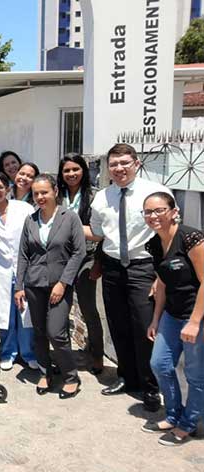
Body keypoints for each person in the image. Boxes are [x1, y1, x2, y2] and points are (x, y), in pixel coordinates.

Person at [89, 143, 172, 411]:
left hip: (144, 266)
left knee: (144, 326)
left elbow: (169, 234)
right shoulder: (102, 197)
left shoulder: (155, 194)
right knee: (118, 325)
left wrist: (161, 272)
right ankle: (127, 377)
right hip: (113, 267)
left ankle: (151, 386)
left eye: (125, 163)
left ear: (136, 163)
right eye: (114, 164)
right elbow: (99, 233)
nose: (119, 168)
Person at [15, 174, 85, 398]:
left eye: (44, 192)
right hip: (34, 283)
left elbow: (78, 252)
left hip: (59, 284)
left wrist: (64, 283)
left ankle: (71, 376)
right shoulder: (31, 220)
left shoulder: (70, 217)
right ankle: (46, 372)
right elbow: (23, 255)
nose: (40, 197)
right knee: (39, 332)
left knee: (57, 332)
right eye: (36, 193)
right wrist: (19, 285)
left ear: (55, 191)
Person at [143, 192, 204, 446]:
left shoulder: (191, 238)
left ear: (173, 211)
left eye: (159, 210)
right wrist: (156, 319)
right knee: (160, 364)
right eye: (148, 212)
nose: (153, 216)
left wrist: (194, 321)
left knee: (195, 374)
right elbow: (163, 286)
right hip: (171, 314)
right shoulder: (154, 244)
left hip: (196, 315)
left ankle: (188, 424)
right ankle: (173, 414)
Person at [0, 172, 37, 371]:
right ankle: (7, 353)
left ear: (8, 189)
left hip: (25, 269)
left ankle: (29, 353)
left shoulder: (24, 209)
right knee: (4, 315)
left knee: (26, 313)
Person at [58, 154, 105, 374]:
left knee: (87, 308)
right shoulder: (58, 195)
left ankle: (96, 356)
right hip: (61, 259)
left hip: (87, 258)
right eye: (66, 170)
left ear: (84, 171)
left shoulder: (95, 196)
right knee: (60, 309)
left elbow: (101, 233)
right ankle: (63, 356)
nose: (71, 174)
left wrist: (98, 263)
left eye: (75, 169)